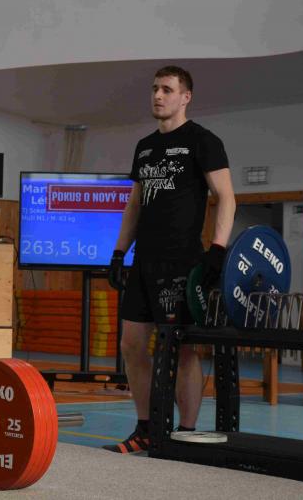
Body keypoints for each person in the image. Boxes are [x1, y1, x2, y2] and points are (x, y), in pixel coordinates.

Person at [104, 66, 236, 454]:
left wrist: (218, 249)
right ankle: (145, 428)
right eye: (154, 89)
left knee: (182, 349)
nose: (158, 96)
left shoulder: (203, 141)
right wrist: (118, 252)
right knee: (131, 345)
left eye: (167, 89)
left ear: (185, 97)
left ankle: (186, 433)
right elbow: (135, 204)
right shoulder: (145, 146)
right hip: (144, 262)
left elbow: (226, 197)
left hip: (182, 263)